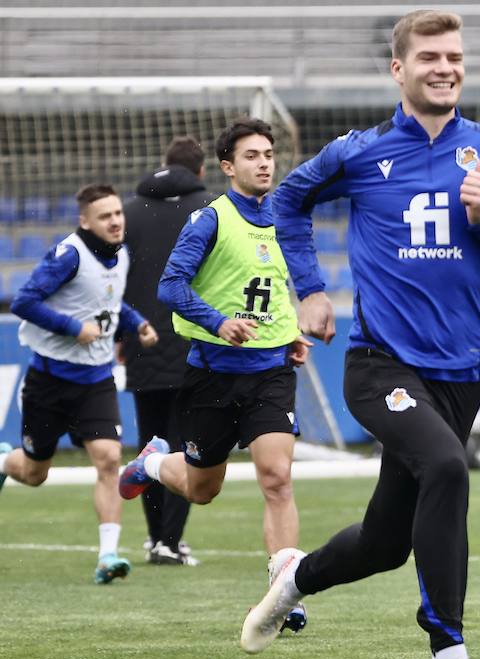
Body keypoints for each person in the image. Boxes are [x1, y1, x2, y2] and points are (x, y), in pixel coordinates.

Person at [242, 9, 480, 659]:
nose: (446, 68)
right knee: (446, 468)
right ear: (398, 69)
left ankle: (294, 579)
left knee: (384, 542)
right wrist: (310, 290)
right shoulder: (358, 150)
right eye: (431, 57)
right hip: (380, 365)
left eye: (456, 57)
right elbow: (287, 201)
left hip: (459, 377)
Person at [116, 118, 324, 632]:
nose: (265, 163)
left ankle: (285, 593)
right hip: (211, 376)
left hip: (271, 373)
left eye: (269, 154)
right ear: (228, 167)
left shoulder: (282, 218)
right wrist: (218, 322)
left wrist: (287, 333)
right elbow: (170, 287)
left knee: (276, 477)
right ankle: (154, 465)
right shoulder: (210, 219)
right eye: (252, 155)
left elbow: (273, 287)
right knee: (203, 489)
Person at [0, 184, 159, 583]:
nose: (115, 221)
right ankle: (4, 460)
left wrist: (136, 323)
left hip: (96, 379)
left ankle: (108, 556)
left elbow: (108, 301)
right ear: (85, 221)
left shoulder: (121, 254)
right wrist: (73, 329)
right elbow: (24, 301)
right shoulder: (68, 255)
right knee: (35, 474)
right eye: (105, 216)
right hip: (49, 381)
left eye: (117, 214)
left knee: (108, 458)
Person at [122, 135, 215, 566]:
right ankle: (170, 542)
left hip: (142, 341)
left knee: (149, 444)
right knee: (182, 444)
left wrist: (124, 336)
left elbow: (116, 278)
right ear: (200, 171)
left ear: (164, 163)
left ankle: (156, 537)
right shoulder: (212, 210)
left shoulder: (129, 211)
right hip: (193, 341)